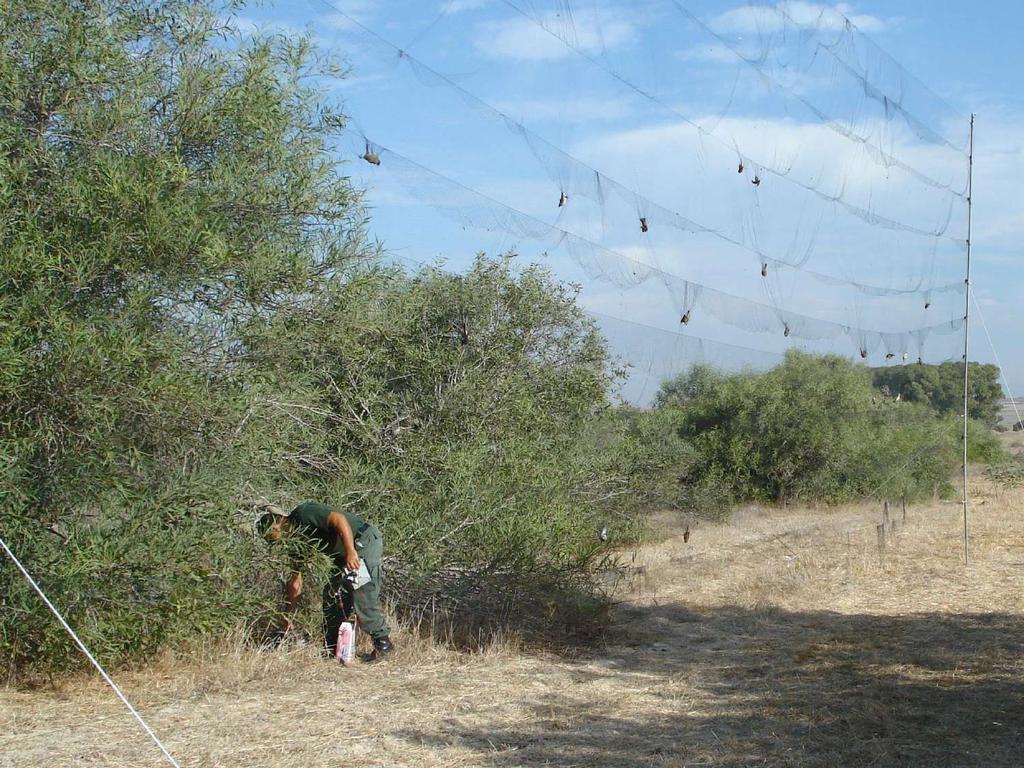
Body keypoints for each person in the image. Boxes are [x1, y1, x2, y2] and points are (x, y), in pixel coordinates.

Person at [259, 501, 394, 662]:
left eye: (273, 538)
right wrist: (288, 617)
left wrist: (351, 551)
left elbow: (339, 519)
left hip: (362, 540)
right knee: (332, 593)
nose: (277, 543)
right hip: (342, 555)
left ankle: (383, 644)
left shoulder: (303, 514)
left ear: (277, 526)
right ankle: (333, 646)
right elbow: (295, 582)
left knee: (362, 587)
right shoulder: (296, 544)